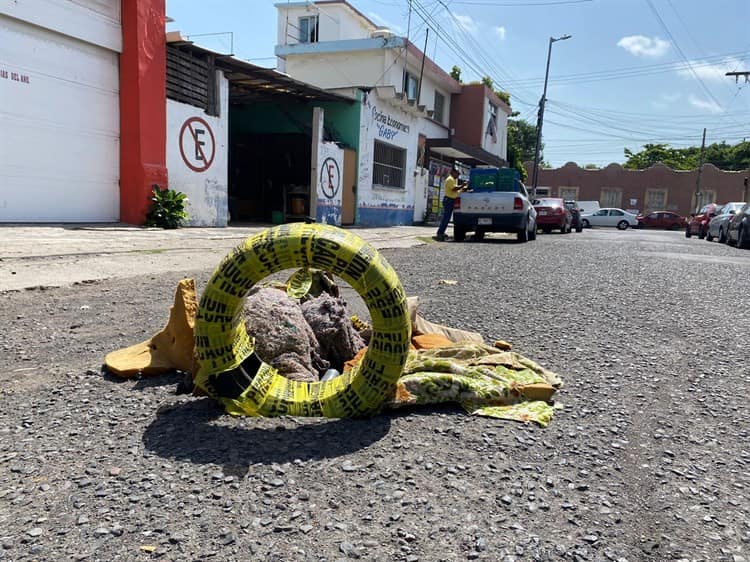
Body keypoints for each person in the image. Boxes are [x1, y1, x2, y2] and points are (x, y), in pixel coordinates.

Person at [434, 167, 467, 241]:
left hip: (451, 200)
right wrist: (462, 185)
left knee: (447, 218)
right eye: (457, 174)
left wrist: (463, 189)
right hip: (449, 200)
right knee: (446, 217)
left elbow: (455, 192)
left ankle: (441, 232)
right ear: (453, 172)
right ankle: (440, 232)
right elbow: (454, 189)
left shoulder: (453, 180)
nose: (458, 176)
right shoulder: (450, 179)